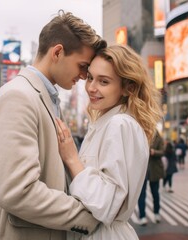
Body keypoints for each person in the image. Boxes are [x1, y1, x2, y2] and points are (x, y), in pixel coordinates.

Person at [0, 10, 107, 240]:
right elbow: (18, 191)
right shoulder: (18, 97)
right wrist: (86, 217)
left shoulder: (47, 99)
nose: (84, 76)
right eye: (82, 66)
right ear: (58, 52)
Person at [55, 44, 163, 239]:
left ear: (127, 88)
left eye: (103, 81)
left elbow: (106, 202)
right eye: (90, 78)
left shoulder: (119, 124)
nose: (91, 88)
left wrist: (72, 159)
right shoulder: (111, 122)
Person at [138, 130, 165, 226]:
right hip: (142, 169)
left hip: (154, 169)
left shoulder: (158, 136)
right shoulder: (139, 133)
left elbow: (163, 151)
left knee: (155, 193)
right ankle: (142, 216)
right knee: (141, 195)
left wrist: (154, 152)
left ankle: (156, 213)